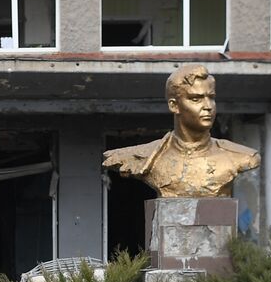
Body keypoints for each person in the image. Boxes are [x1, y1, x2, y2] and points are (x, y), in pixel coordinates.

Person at [102, 63, 261, 199]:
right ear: (174, 105)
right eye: (195, 99)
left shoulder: (241, 157)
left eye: (211, 97)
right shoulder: (142, 157)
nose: (208, 106)